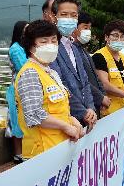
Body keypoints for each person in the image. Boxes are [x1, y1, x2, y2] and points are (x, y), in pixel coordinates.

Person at [15, 20, 83, 159]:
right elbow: (33, 114)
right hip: (42, 151)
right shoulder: (30, 73)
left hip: (58, 147)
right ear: (31, 47)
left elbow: (57, 108)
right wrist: (65, 126)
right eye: (44, 41)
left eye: (54, 41)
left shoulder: (51, 72)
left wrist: (71, 120)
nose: (50, 45)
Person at [49, 0, 97, 130]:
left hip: (84, 120)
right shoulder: (50, 49)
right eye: (64, 14)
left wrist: (90, 108)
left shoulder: (75, 47)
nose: (69, 19)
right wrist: (83, 112)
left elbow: (85, 83)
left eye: (73, 15)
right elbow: (60, 86)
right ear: (54, 16)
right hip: (65, 121)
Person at [93, 19, 124, 117]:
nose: (119, 39)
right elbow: (104, 85)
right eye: (115, 36)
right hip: (109, 114)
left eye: (123, 36)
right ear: (106, 37)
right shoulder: (99, 56)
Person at [71, 11, 110, 118]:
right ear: (74, 28)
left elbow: (96, 78)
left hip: (95, 105)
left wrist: (103, 97)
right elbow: (82, 81)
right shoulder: (72, 52)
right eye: (85, 27)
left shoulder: (83, 50)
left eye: (89, 28)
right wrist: (100, 98)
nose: (88, 31)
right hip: (84, 109)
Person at [7, 20, 27, 164]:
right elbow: (23, 68)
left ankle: (24, 152)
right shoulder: (15, 48)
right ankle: (18, 154)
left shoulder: (25, 47)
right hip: (17, 90)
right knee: (17, 122)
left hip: (25, 89)